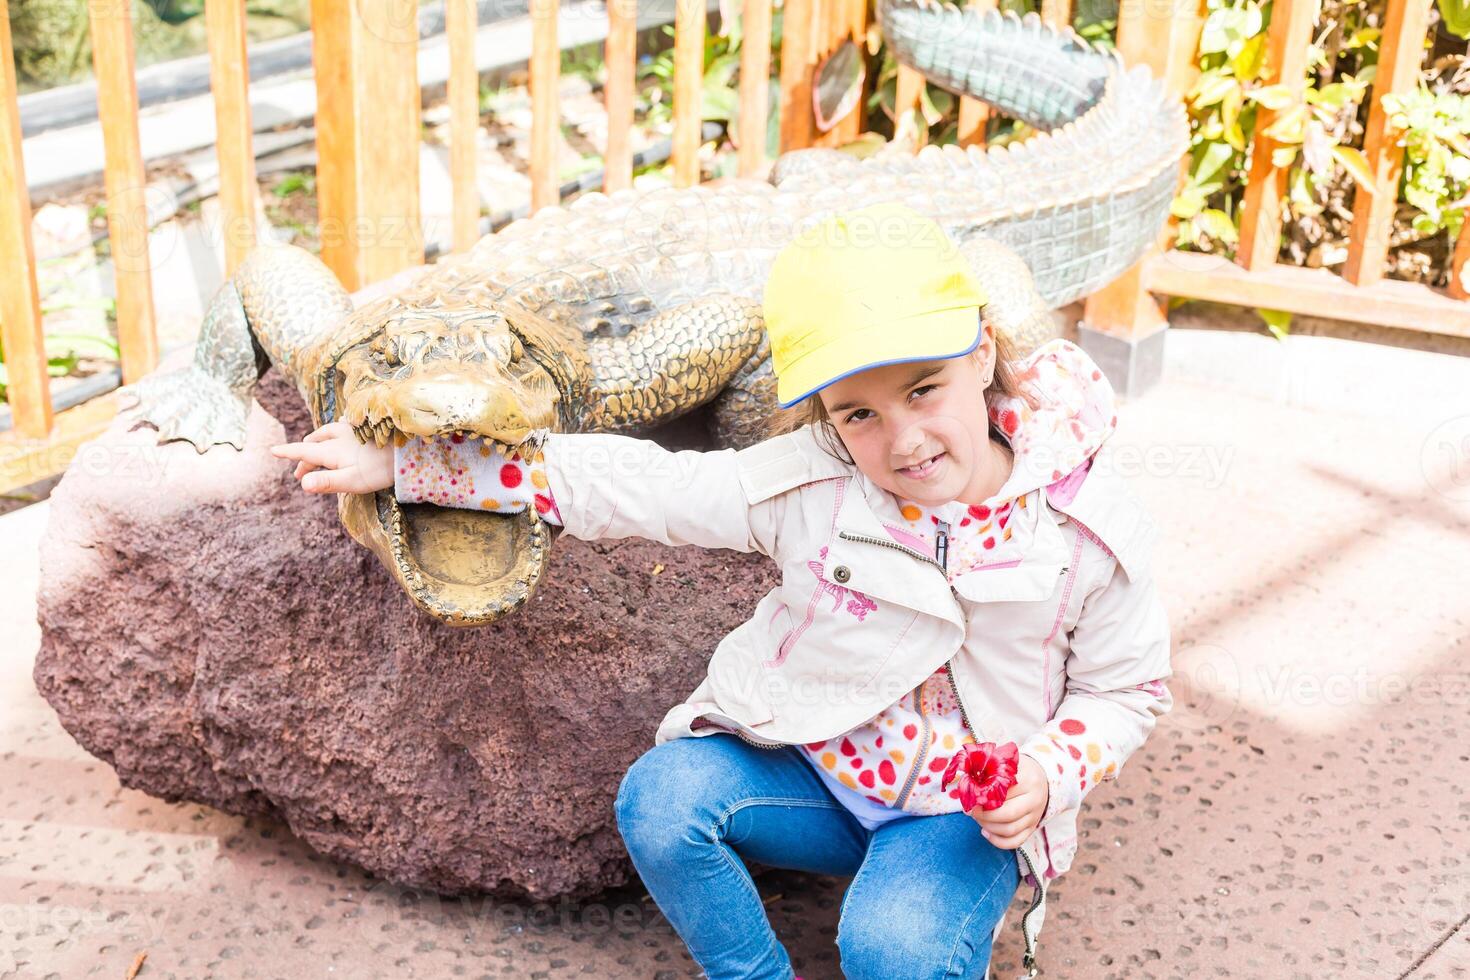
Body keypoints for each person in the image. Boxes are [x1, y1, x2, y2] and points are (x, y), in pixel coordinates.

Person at [270, 201, 1173, 979]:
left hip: (958, 813)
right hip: (821, 769)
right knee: (662, 800)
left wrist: (1048, 776)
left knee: (890, 951)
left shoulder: (1082, 525)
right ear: (827, 416)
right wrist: (415, 464)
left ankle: (929, 927)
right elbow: (644, 486)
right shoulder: (812, 483)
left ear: (981, 354)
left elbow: (1127, 689)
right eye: (860, 412)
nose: (904, 440)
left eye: (926, 389)